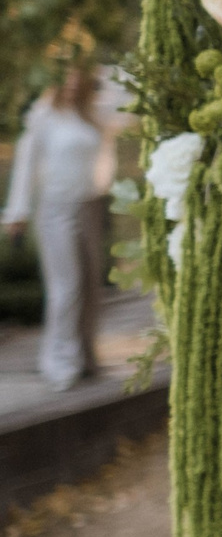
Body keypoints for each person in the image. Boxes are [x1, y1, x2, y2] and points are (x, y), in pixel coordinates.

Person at [4, 61, 120, 391]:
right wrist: (17, 212)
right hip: (55, 208)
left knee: (90, 286)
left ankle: (86, 358)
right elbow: (26, 165)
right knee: (66, 286)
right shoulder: (43, 117)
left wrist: (101, 70)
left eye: (77, 75)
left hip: (90, 206)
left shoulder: (94, 115)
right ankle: (59, 363)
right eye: (65, 76)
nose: (71, 82)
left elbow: (125, 100)